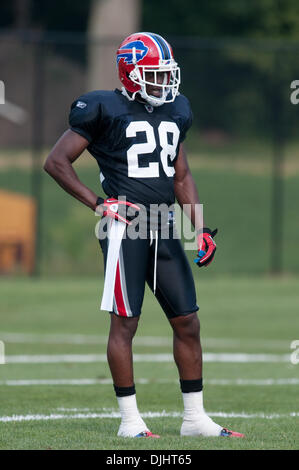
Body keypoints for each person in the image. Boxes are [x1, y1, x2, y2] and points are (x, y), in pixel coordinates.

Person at [44, 32, 244, 439]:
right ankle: (130, 422)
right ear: (130, 73)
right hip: (124, 227)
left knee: (187, 320)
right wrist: (100, 203)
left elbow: (180, 173)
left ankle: (194, 419)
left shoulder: (176, 109)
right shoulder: (102, 106)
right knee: (125, 323)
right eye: (154, 74)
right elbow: (56, 162)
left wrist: (199, 227)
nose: (164, 83)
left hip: (164, 223)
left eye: (166, 74)